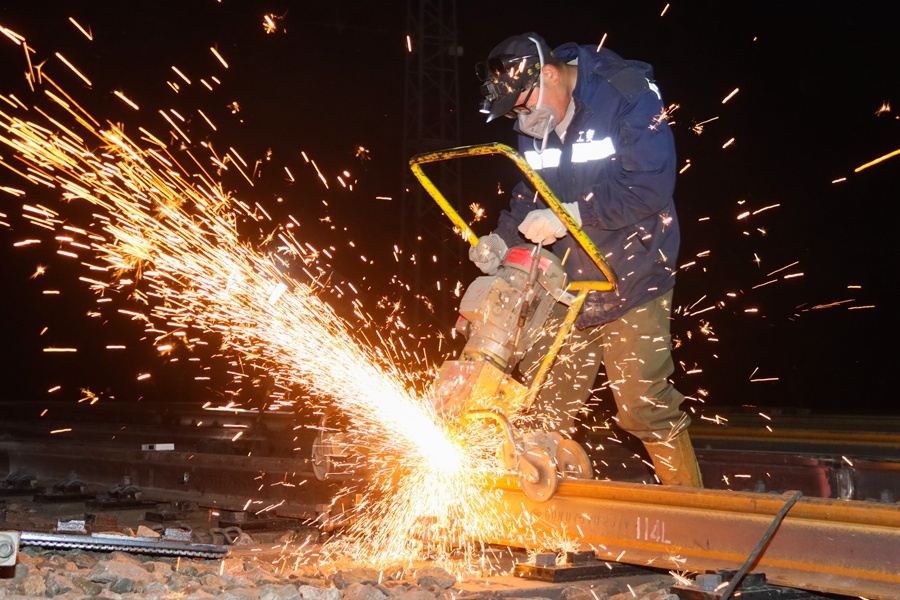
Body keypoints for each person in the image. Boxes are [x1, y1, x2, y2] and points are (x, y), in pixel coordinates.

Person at [471, 32, 701, 487]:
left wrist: (573, 215)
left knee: (643, 405)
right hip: (569, 281)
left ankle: (694, 515)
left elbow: (651, 186)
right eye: (515, 113)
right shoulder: (537, 124)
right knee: (543, 405)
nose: (523, 119)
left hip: (633, 272)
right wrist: (499, 239)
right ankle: (545, 511)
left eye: (524, 105)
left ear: (550, 74)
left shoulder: (626, 94)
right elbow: (529, 194)